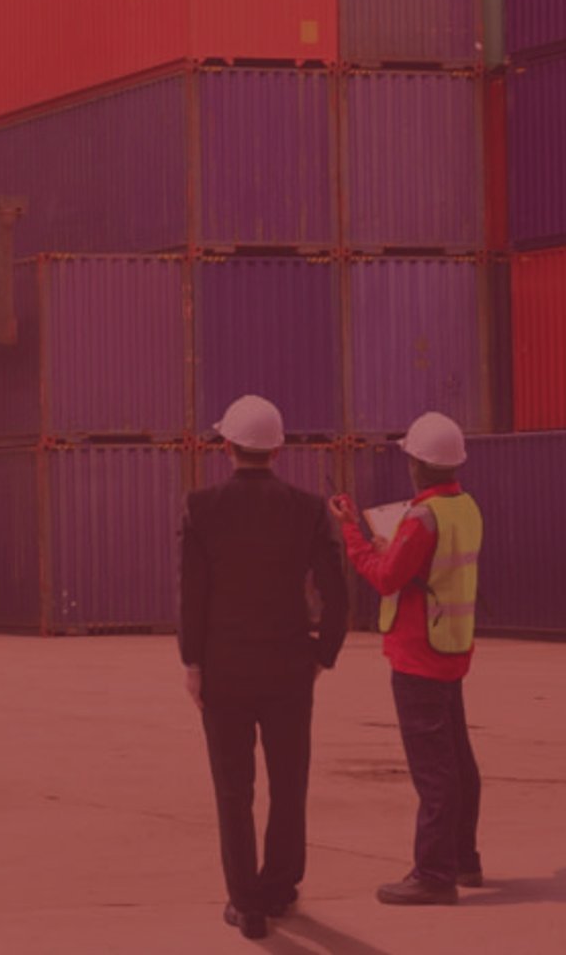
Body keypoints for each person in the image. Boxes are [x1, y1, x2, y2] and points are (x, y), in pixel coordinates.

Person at [179, 395, 352, 940]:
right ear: (278, 450)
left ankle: (246, 904)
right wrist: (322, 654)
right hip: (289, 668)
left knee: (233, 789)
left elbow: (192, 596)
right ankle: (279, 887)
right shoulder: (308, 509)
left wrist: (192, 663)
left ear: (226, 446)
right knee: (289, 782)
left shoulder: (202, 507)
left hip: (225, 667)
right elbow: (337, 593)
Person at [330, 411, 485, 906]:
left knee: (434, 770)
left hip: (418, 654)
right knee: (458, 760)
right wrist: (389, 546)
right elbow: (429, 568)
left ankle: (434, 874)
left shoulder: (421, 518)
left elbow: (385, 578)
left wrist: (352, 534)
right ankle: (464, 858)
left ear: (417, 464)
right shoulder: (465, 508)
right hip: (452, 647)